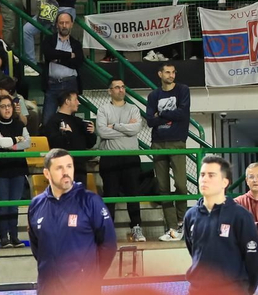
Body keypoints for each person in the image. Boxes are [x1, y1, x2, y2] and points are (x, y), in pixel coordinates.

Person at [27, 148, 116, 295]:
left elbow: (109, 245)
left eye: (69, 166)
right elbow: (38, 247)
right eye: (59, 168)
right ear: (47, 173)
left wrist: (90, 278)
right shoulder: (36, 205)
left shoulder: (90, 201)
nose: (66, 171)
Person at [182, 154, 258, 295]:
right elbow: (193, 251)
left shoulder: (240, 216)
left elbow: (255, 259)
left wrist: (242, 292)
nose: (204, 179)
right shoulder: (190, 216)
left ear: (224, 182)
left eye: (211, 175)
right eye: (202, 174)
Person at [96, 78, 150, 242]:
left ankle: (136, 228)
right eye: (117, 87)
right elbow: (102, 132)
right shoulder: (103, 109)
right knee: (110, 195)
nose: (121, 90)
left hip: (130, 158)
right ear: (110, 91)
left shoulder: (133, 109)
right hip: (110, 158)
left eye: (123, 86)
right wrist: (126, 128)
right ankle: (108, 231)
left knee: (133, 195)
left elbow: (136, 129)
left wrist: (115, 126)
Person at [145, 63, 190, 240]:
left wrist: (161, 114)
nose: (171, 75)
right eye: (167, 72)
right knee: (163, 187)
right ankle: (171, 227)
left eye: (173, 72)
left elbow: (182, 114)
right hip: (158, 143)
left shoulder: (182, 90)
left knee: (181, 185)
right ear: (160, 74)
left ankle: (182, 222)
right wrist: (169, 114)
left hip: (177, 141)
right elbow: (149, 121)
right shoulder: (154, 95)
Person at [0, 92, 32, 247]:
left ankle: (14, 236)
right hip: (0, 171)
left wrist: (13, 145)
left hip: (17, 168)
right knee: (3, 203)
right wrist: (15, 141)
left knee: (14, 204)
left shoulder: (19, 125)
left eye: (9, 106)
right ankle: (3, 236)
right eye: (3, 106)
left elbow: (27, 142)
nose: (7, 109)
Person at [43, 86, 93, 179]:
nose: (78, 103)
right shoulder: (53, 121)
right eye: (75, 100)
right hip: (62, 169)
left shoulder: (79, 121)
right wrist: (67, 135)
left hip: (80, 168)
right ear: (67, 101)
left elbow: (89, 144)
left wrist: (91, 132)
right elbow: (55, 143)